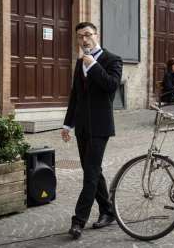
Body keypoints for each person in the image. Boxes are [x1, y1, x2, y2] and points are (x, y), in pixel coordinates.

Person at [61, 22, 123, 239]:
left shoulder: (112, 59)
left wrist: (94, 65)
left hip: (101, 126)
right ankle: (108, 211)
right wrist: (67, 124)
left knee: (90, 173)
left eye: (87, 35)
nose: (84, 40)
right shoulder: (79, 63)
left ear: (96, 35)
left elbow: (112, 86)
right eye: (80, 37)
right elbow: (75, 95)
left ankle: (78, 221)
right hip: (82, 127)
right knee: (94, 171)